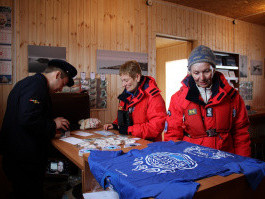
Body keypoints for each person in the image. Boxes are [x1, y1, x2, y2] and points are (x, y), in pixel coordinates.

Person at [0, 59, 77, 198]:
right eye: (63, 84)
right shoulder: (36, 86)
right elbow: (27, 118)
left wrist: (52, 124)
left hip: (18, 155)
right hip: (23, 158)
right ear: (57, 75)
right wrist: (54, 125)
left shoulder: (30, 83)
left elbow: (30, 115)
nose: (60, 89)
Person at [164, 45, 251, 157]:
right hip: (193, 159)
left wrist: (243, 162)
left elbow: (241, 133)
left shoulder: (232, 97)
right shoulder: (178, 99)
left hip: (226, 158)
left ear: (213, 69)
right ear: (190, 72)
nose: (202, 78)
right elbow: (172, 135)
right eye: (196, 73)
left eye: (206, 71)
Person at [104, 60, 167, 141]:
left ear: (137, 77)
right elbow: (124, 118)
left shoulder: (153, 96)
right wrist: (115, 125)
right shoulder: (126, 95)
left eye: (126, 80)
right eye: (122, 81)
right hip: (130, 141)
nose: (123, 84)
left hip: (148, 145)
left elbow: (156, 127)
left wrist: (129, 130)